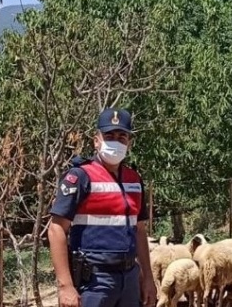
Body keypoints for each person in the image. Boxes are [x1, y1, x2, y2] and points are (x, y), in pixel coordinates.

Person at [47, 107, 157, 307]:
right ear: (96, 141)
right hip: (94, 282)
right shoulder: (80, 177)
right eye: (109, 136)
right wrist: (65, 286)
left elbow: (139, 230)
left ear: (129, 143)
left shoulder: (134, 180)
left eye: (122, 137)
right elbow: (56, 229)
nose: (116, 142)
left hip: (130, 279)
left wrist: (148, 277)